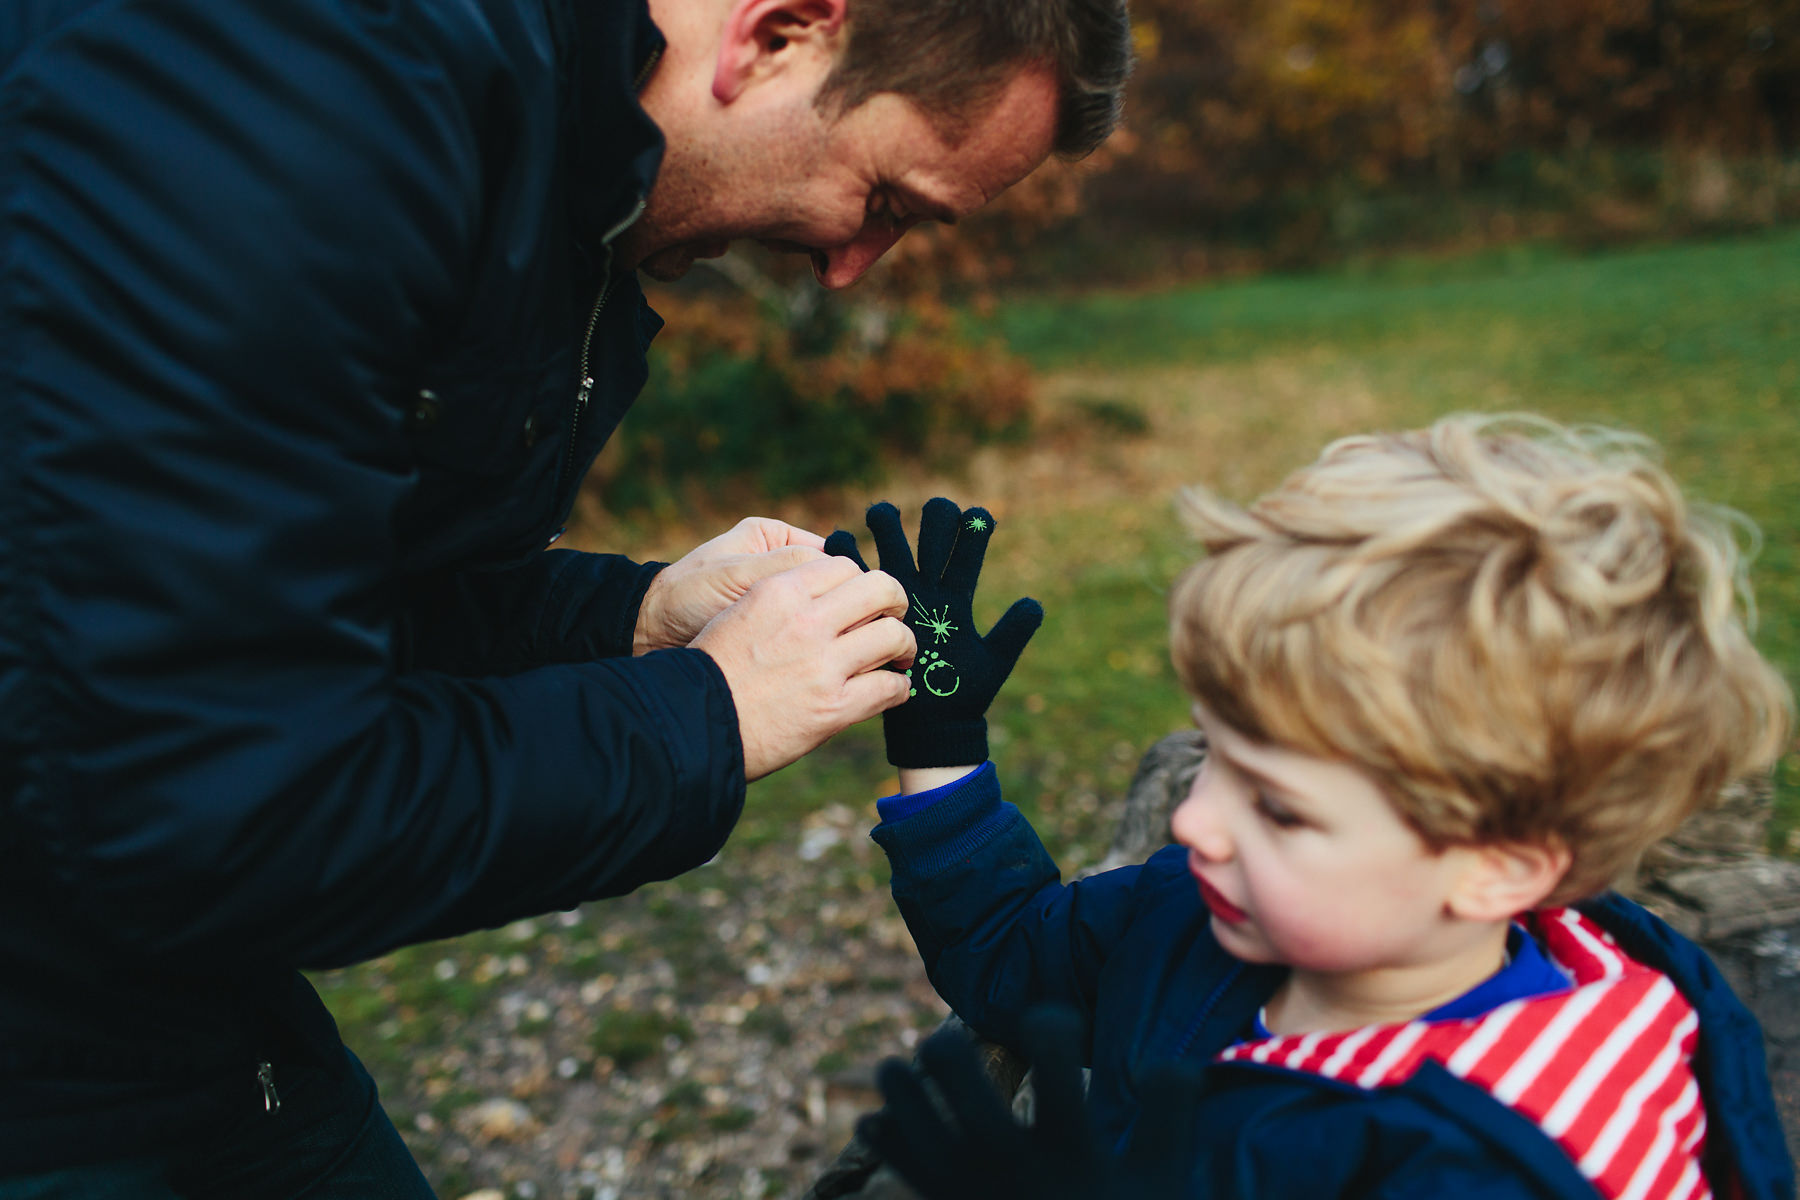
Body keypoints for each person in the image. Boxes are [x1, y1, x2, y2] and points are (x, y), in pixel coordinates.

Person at [0, 0, 1130, 1193]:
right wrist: (710, 711)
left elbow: (302, 608)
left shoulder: (540, 160)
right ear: (782, 32)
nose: (850, 267)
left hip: (162, 989)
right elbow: (228, 797)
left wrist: (628, 620)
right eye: (885, 201)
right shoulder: (295, 93)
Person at [825, 416, 1796, 1199]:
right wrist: (940, 741)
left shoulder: (1489, 1162)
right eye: (1215, 756)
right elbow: (1007, 952)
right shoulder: (1193, 923)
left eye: (1280, 809)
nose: (1197, 823)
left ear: (1500, 864)